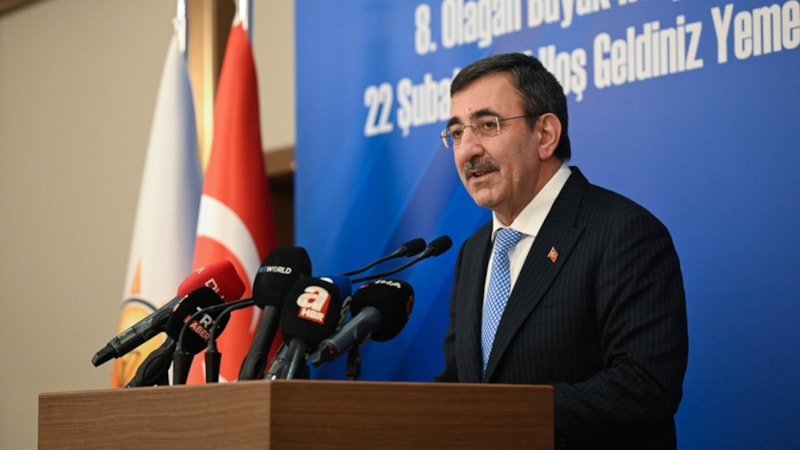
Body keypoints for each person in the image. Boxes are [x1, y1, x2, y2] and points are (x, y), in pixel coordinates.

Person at [435, 52, 688, 450]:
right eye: (456, 133)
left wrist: (502, 418)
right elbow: (461, 381)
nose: (467, 150)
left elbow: (645, 385)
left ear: (545, 134)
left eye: (487, 125)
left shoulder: (623, 232)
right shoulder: (474, 252)